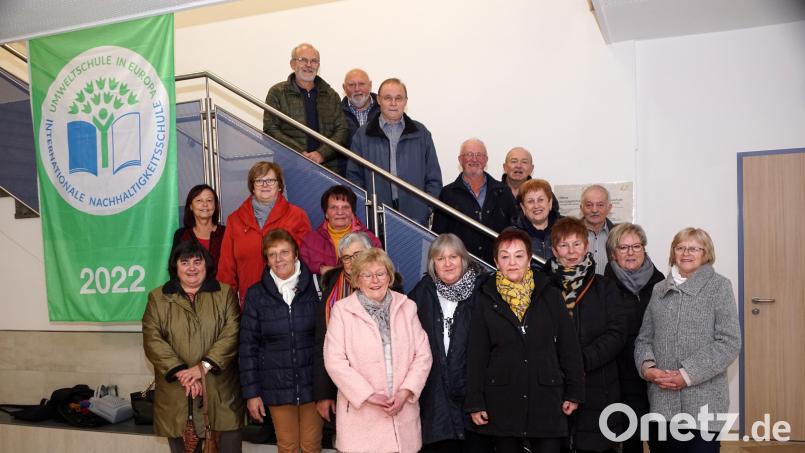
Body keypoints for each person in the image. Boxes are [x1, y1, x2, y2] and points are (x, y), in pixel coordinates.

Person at [465, 227, 585, 453]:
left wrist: (575, 391)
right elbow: (477, 353)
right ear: (496, 261)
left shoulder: (549, 292)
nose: (512, 263)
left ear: (529, 259)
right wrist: (475, 401)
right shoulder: (484, 296)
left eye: (519, 255)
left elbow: (569, 346)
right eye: (505, 256)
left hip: (547, 400)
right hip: (502, 402)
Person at [635, 228, 741, 453]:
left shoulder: (719, 287)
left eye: (693, 248)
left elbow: (729, 342)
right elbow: (644, 338)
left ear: (706, 253)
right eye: (680, 247)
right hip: (662, 400)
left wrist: (687, 374)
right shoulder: (659, 290)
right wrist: (648, 368)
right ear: (673, 252)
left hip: (705, 401)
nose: (686, 253)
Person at [324, 248, 432, 453]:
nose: (375, 280)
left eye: (381, 273)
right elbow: (334, 361)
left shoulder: (407, 307)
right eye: (367, 274)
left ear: (389, 277)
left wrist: (405, 392)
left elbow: (423, 355)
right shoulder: (342, 311)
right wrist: (368, 395)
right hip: (361, 418)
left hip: (402, 415)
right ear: (356, 280)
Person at [142, 240, 243, 453]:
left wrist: (202, 368)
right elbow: (152, 339)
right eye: (185, 262)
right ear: (175, 266)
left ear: (206, 265)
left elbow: (232, 334)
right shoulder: (158, 298)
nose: (192, 268)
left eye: (198, 262)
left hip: (219, 394)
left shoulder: (225, 294)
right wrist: (182, 373)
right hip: (177, 394)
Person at [543, 217, 627, 453]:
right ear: (553, 250)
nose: (571, 252)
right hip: (554, 385)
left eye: (576, 244)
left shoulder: (605, 286)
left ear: (586, 247)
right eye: (563, 245)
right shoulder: (541, 286)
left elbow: (617, 332)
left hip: (598, 386)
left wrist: (580, 360)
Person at [239, 229, 322, 453]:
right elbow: (248, 348)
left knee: (311, 446)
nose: (279, 259)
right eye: (272, 254)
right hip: (276, 386)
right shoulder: (256, 294)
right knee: (287, 446)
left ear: (295, 254)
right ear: (266, 260)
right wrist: (251, 393)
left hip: (312, 385)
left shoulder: (317, 287)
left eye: (284, 252)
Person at [312, 232, 403, 430]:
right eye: (347, 257)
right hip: (345, 388)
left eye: (359, 254)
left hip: (388, 389)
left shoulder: (393, 288)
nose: (354, 262)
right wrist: (323, 393)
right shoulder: (330, 289)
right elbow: (323, 343)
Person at [407, 234, 485, 452]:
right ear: (433, 263)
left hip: (474, 394)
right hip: (436, 396)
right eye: (440, 259)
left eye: (453, 257)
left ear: (463, 259)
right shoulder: (423, 292)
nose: (448, 263)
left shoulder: (483, 291)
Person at [346, 78, 443, 226]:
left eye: (398, 98)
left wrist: (426, 208)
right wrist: (366, 209)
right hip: (376, 217)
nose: (393, 103)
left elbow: (433, 177)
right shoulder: (363, 134)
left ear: (405, 101)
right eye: (387, 98)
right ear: (378, 100)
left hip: (415, 217)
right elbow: (354, 177)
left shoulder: (421, 133)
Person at [603, 223, 665, 453]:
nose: (630, 253)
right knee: (630, 437)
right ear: (613, 253)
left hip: (658, 372)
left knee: (661, 438)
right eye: (623, 247)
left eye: (636, 246)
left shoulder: (662, 284)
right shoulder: (604, 286)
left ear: (644, 249)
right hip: (621, 372)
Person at [217, 161, 311, 304]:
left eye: (270, 180)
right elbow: (226, 268)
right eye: (259, 181)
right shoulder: (235, 220)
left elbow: (307, 260)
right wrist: (225, 305)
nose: (265, 185)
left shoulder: (297, 215)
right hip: (250, 303)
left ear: (279, 185)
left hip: (290, 302)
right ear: (252, 187)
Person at [263, 43, 349, 175]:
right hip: (292, 168)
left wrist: (321, 154)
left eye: (314, 61)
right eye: (303, 60)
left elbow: (342, 130)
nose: (309, 65)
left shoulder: (330, 94)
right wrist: (299, 154)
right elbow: (270, 130)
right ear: (292, 64)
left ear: (318, 66)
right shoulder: (277, 93)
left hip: (328, 168)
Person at [432, 138, 517, 263]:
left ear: (486, 160)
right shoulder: (447, 194)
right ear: (460, 160)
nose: (474, 159)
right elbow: (439, 236)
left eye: (479, 155)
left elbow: (514, 230)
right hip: (460, 269)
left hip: (497, 268)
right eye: (469, 155)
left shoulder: (503, 191)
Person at [299, 184, 381, 276]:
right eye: (334, 208)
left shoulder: (370, 239)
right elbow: (301, 270)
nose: (340, 212)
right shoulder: (310, 240)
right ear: (326, 213)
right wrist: (320, 268)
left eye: (345, 207)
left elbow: (379, 268)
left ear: (352, 212)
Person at [172, 184, 225, 266]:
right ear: (191, 206)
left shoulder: (227, 233)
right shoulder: (181, 235)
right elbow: (174, 267)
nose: (205, 204)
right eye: (199, 200)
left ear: (215, 205)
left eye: (209, 200)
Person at [511, 178, 561, 261]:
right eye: (530, 201)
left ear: (550, 203)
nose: (536, 206)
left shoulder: (568, 229)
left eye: (540, 200)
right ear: (523, 207)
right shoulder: (511, 235)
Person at [502, 147, 560, 214]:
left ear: (531, 169)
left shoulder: (544, 193)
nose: (518, 166)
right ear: (505, 167)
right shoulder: (493, 193)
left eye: (524, 162)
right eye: (514, 161)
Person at [580, 185, 615, 274]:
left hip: (610, 287)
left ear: (609, 208)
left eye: (600, 205)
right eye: (589, 205)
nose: (594, 210)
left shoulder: (618, 236)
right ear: (581, 208)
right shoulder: (569, 234)